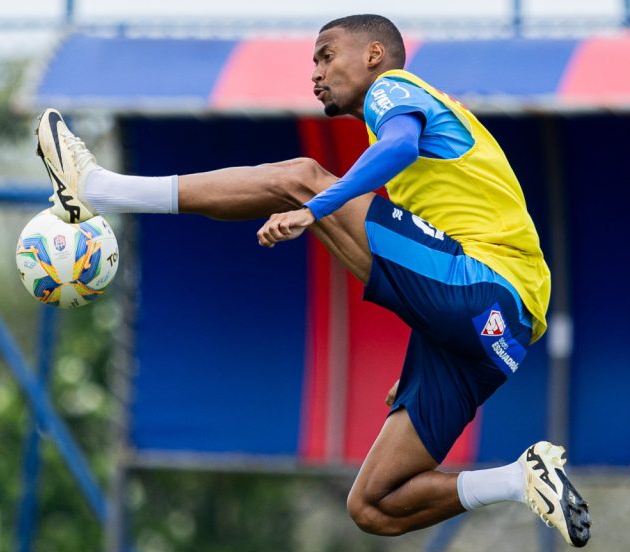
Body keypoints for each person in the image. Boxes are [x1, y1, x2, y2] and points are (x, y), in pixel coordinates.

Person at [36, 14, 590, 547]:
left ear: (373, 55)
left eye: (326, 56)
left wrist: (317, 207)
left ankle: (104, 190)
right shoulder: (432, 131)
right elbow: (434, 255)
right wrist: (433, 343)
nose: (316, 73)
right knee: (374, 505)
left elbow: (396, 147)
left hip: (488, 284)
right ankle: (522, 479)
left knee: (301, 178)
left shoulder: (393, 87)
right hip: (503, 332)